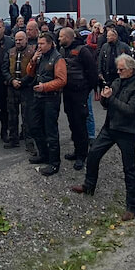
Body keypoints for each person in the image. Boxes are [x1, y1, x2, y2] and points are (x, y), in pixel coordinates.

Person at [71, 53, 135, 221]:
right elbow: (107, 104)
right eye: (117, 69)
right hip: (110, 126)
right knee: (93, 154)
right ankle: (89, 185)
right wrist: (105, 98)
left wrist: (110, 98)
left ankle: (132, 207)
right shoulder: (117, 82)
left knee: (129, 169)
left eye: (121, 69)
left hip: (126, 131)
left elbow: (130, 111)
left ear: (131, 70)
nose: (118, 72)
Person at [24, 31, 67, 176]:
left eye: (42, 44)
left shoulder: (57, 58)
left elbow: (61, 80)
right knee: (34, 126)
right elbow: (29, 73)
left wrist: (45, 87)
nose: (39, 46)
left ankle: (54, 163)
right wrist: (33, 61)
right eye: (39, 44)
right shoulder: (40, 56)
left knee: (51, 131)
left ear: (50, 44)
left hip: (50, 98)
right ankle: (43, 154)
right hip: (37, 96)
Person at [58, 27, 96, 171]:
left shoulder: (83, 51)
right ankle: (76, 150)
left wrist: (86, 90)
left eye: (61, 36)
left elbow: (92, 72)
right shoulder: (62, 51)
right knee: (72, 122)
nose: (59, 38)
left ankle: (82, 155)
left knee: (80, 124)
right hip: (67, 92)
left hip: (80, 93)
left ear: (68, 37)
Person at [6, 30, 34, 151]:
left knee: (27, 116)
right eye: (16, 40)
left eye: (20, 39)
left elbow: (34, 71)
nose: (18, 42)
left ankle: (29, 142)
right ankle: (13, 139)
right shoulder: (10, 52)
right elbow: (4, 69)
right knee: (12, 115)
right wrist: (11, 80)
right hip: (12, 87)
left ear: (26, 39)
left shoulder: (32, 52)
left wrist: (23, 81)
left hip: (26, 88)